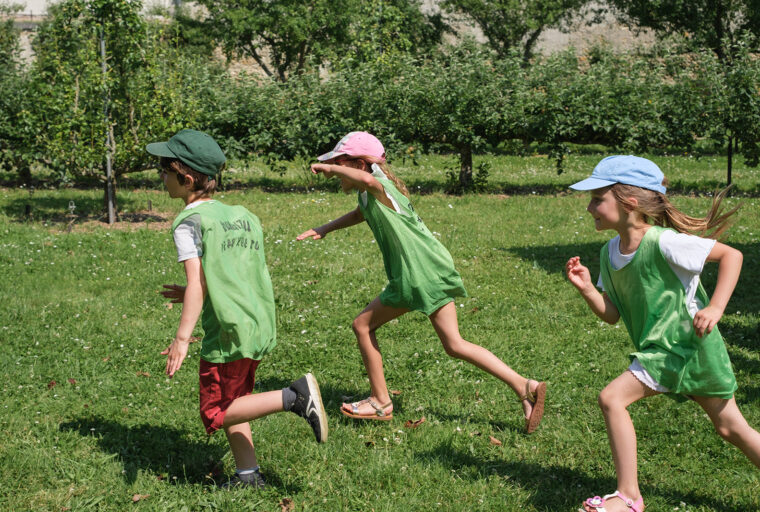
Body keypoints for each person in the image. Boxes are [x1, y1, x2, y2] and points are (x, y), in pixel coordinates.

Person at [296, 131, 546, 433]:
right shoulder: (369, 194)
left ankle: (380, 402)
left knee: (362, 325)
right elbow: (362, 212)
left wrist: (331, 167)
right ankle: (525, 386)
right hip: (432, 269)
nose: (336, 172)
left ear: (360, 165)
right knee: (454, 344)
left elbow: (371, 183)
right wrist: (324, 228)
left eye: (341, 164)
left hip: (416, 275)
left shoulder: (380, 185)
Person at [565, 155, 760, 512]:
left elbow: (732, 256)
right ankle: (628, 497)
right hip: (665, 350)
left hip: (684, 346)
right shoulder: (609, 252)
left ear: (629, 203)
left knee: (612, 398)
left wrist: (715, 307)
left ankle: (628, 498)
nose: (590, 207)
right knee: (731, 428)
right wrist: (587, 289)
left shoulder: (666, 242)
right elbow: (611, 314)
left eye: (597, 198)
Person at [146, 129, 328, 489]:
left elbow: (199, 281)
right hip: (255, 320)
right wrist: (195, 291)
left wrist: (182, 337)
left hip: (226, 330)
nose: (160, 178)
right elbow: (234, 270)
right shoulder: (241, 214)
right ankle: (248, 475)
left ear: (184, 177)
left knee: (216, 411)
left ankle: (294, 397)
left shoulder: (189, 223)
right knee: (238, 400)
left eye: (163, 171)